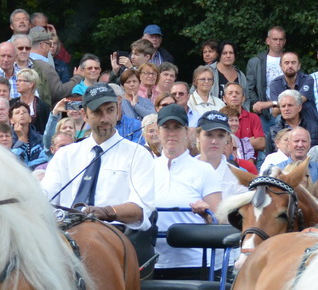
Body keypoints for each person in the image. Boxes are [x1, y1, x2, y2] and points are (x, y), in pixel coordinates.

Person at [41, 84, 157, 264]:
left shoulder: (138, 154)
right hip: (65, 236)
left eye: (110, 110)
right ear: (85, 115)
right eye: (97, 112)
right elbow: (46, 197)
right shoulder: (65, 154)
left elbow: (140, 209)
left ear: (118, 110)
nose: (105, 118)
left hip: (113, 236)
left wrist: (106, 211)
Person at [148, 106, 223, 276]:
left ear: (187, 132)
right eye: (166, 128)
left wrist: (206, 213)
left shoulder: (204, 170)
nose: (171, 133)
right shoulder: (146, 168)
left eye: (177, 127)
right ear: (158, 131)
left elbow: (219, 218)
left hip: (194, 261)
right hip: (152, 261)